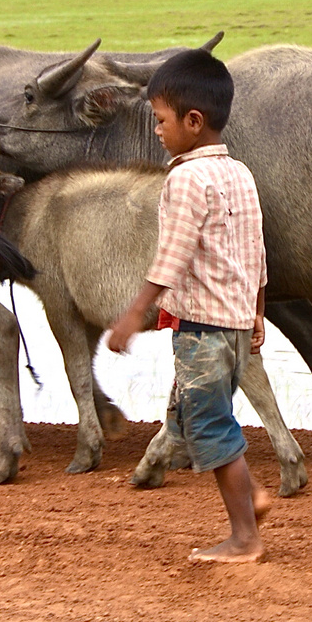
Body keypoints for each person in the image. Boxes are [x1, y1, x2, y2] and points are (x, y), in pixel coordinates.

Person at [107, 49, 272, 563]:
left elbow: (171, 257)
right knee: (193, 413)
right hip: (236, 324)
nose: (157, 131)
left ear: (192, 121)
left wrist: (134, 314)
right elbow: (256, 248)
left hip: (201, 329)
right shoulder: (240, 173)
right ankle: (253, 497)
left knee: (211, 426)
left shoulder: (184, 179)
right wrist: (258, 312)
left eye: (160, 120)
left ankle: (244, 538)